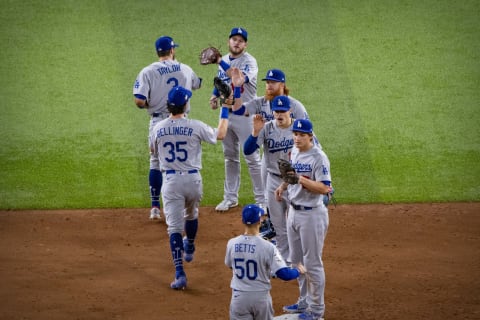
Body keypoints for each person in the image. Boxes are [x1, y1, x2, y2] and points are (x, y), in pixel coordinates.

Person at [150, 86, 229, 289]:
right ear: (185, 105)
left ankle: (180, 274)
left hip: (171, 182)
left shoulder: (157, 128)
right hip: (194, 181)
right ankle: (191, 245)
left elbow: (154, 152)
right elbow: (221, 134)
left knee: (174, 229)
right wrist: (225, 108)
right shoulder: (195, 125)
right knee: (192, 214)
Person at [133, 35, 202, 220]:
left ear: (158, 52)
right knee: (184, 162)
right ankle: (185, 208)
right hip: (183, 120)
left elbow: (139, 101)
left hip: (158, 123)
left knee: (155, 161)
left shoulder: (147, 71)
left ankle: (155, 207)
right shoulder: (185, 68)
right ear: (172, 51)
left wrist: (151, 104)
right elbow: (197, 84)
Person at [274, 119, 332, 320]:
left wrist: (300, 180)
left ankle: (317, 310)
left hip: (312, 215)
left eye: (301, 135)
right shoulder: (295, 150)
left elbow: (325, 188)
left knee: (313, 263)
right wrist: (283, 186)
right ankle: (304, 302)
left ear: (310, 136)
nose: (297, 138)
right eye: (295, 134)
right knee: (296, 261)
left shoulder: (319, 158)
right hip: (293, 212)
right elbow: (291, 175)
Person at [208, 27, 264, 212]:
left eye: (241, 40)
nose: (237, 42)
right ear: (228, 41)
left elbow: (236, 77)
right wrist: (214, 96)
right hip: (226, 113)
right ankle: (230, 198)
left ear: (245, 45)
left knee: (252, 157)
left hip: (245, 115)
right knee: (230, 158)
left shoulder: (250, 61)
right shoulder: (223, 60)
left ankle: (262, 201)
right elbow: (222, 80)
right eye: (234, 39)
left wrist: (218, 61)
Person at [225, 204, 306, 320]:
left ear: (242, 221)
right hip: (260, 298)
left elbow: (230, 265)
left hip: (239, 298)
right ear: (259, 222)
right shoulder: (268, 247)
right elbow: (285, 275)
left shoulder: (231, 243)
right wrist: (298, 270)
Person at [243, 95, 294, 262]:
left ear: (290, 111)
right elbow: (248, 150)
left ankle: (299, 257)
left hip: (294, 181)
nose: (279, 115)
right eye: (276, 111)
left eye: (282, 111)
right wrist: (255, 132)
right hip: (273, 181)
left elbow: (314, 152)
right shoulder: (267, 128)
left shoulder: (299, 130)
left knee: (296, 223)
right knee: (279, 225)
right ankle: (284, 260)